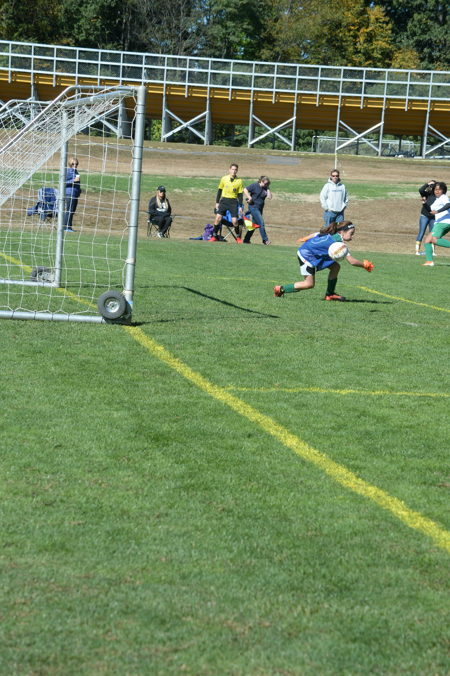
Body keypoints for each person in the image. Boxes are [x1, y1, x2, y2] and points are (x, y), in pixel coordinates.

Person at [273, 221, 374, 301]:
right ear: (342, 232)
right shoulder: (338, 244)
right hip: (306, 255)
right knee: (309, 284)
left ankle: (330, 294)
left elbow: (316, 234)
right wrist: (365, 265)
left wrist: (306, 238)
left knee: (335, 266)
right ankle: (280, 289)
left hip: (314, 253)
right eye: (351, 234)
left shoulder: (332, 234)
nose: (352, 237)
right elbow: (352, 261)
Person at [211, 163, 244, 243]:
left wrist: (240, 206)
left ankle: (238, 237)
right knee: (218, 218)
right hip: (224, 201)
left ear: (237, 171)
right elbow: (219, 190)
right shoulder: (224, 178)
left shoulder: (239, 181)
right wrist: (217, 202)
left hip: (233, 202)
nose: (234, 171)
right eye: (232, 169)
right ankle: (214, 236)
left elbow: (240, 195)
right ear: (229, 170)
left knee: (235, 221)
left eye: (235, 170)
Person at [422, 181, 450, 266]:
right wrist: (424, 203)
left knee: (433, 239)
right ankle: (429, 261)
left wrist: (438, 211)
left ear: (443, 190)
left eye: (439, 189)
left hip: (443, 222)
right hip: (440, 223)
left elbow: (448, 204)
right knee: (427, 240)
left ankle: (430, 261)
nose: (437, 191)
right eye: (435, 189)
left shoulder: (443, 197)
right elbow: (431, 211)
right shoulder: (437, 200)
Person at [243, 176, 272, 244]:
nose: (266, 185)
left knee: (254, 225)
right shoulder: (255, 185)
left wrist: (268, 189)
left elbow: (269, 197)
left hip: (260, 208)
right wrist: (249, 197)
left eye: (267, 184)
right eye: (265, 184)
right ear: (261, 181)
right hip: (253, 207)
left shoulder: (266, 188)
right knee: (261, 223)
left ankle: (246, 240)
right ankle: (265, 240)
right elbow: (245, 189)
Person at [416, 180, 437, 255]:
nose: (432, 187)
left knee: (433, 234)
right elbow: (420, 190)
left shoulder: (438, 196)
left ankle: (432, 252)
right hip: (424, 216)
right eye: (431, 185)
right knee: (421, 233)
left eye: (433, 185)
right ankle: (417, 251)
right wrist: (428, 184)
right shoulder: (426, 194)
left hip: (433, 217)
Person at [63, 156, 81, 231]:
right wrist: (73, 181)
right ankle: (65, 227)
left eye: (76, 164)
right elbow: (63, 182)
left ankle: (69, 227)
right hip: (69, 193)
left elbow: (77, 182)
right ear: (70, 164)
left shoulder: (76, 172)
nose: (75, 165)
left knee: (72, 211)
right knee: (69, 210)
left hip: (74, 194)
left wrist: (79, 190)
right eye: (73, 164)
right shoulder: (68, 171)